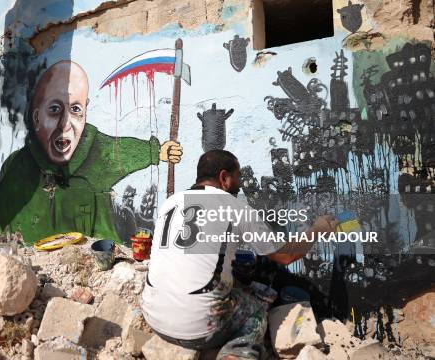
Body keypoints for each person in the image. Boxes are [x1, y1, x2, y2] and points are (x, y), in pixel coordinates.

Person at [141, 149, 337, 360]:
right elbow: (285, 256)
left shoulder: (170, 203)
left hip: (154, 316)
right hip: (197, 326)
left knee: (227, 284)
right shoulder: (235, 207)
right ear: (224, 178)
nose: (241, 183)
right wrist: (318, 229)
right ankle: (235, 355)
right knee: (256, 314)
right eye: (238, 176)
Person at [0, 60, 183, 243]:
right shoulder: (16, 169)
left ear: (86, 111)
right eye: (54, 110)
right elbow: (4, 231)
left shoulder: (96, 149)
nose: (65, 124)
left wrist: (158, 151)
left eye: (76, 109)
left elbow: (121, 150)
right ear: (37, 117)